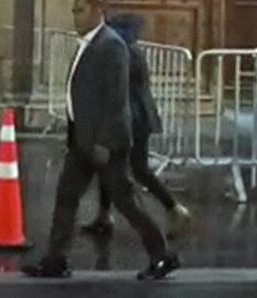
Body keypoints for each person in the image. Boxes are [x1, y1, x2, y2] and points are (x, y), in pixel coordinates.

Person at [23, 0, 179, 281]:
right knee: (66, 197)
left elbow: (116, 100)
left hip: (104, 143)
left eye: (80, 10)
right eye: (73, 10)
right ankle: (55, 260)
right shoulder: (89, 44)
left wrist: (104, 143)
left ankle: (163, 255)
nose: (75, 16)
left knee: (127, 202)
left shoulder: (111, 46)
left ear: (97, 11)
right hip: (81, 139)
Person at [81, 13, 191, 238]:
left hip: (129, 119)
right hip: (135, 117)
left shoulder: (118, 52)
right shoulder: (128, 50)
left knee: (135, 169)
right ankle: (104, 215)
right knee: (110, 167)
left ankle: (173, 209)